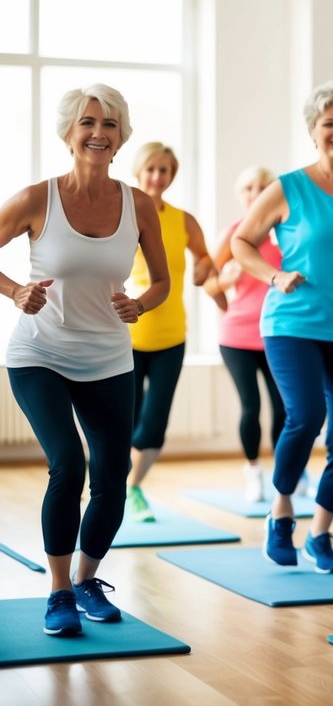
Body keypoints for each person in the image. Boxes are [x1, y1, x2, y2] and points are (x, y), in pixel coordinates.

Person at [1, 84, 168, 636]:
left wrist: (139, 303)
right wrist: (14, 292)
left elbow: (163, 281)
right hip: (39, 354)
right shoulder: (35, 198)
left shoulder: (138, 204)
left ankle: (87, 579)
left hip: (108, 357)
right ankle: (57, 591)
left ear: (121, 137)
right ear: (69, 133)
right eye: (88, 123)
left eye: (110, 124)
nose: (99, 132)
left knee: (113, 478)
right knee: (68, 464)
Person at [233, 81, 333, 575]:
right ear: (313, 131)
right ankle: (281, 510)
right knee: (305, 415)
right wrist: (274, 274)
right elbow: (242, 242)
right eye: (328, 123)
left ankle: (321, 532)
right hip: (294, 322)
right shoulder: (288, 187)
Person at [125, 142, 224, 523]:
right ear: (139, 171)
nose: (157, 177)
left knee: (154, 425)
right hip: (127, 336)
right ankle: (107, 487)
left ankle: (133, 488)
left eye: (164, 170)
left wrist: (205, 273)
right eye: (151, 169)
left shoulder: (183, 220)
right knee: (124, 422)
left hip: (171, 337)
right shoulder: (123, 213)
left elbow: (204, 259)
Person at [213, 166, 286, 502]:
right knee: (251, 405)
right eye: (248, 188)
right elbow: (208, 282)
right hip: (237, 338)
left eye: (263, 187)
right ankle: (253, 472)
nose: (255, 194)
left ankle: (288, 471)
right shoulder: (232, 234)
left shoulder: (286, 233)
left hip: (277, 333)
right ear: (240, 195)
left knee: (285, 408)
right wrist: (225, 285)